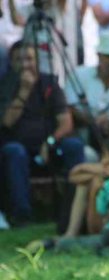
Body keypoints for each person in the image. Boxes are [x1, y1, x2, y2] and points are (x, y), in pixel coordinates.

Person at [0, 41, 85, 228]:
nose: (25, 64)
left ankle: (76, 210)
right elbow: (6, 121)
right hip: (17, 147)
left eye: (29, 59)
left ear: (37, 60)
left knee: (74, 146)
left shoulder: (50, 83)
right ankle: (22, 215)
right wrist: (24, 90)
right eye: (18, 60)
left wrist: (50, 141)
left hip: (50, 145)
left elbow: (66, 122)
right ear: (11, 63)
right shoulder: (5, 84)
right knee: (14, 152)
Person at [32, 134, 109, 256]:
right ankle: (50, 244)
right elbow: (95, 229)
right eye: (105, 156)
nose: (107, 161)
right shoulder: (107, 186)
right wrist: (94, 193)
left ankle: (104, 252)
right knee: (95, 241)